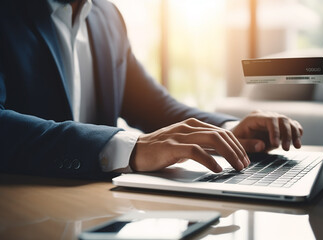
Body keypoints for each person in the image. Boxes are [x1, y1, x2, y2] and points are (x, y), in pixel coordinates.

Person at [0, 0, 303, 180]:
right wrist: (130, 148)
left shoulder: (106, 16)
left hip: (98, 209)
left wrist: (230, 130)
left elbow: (153, 106)